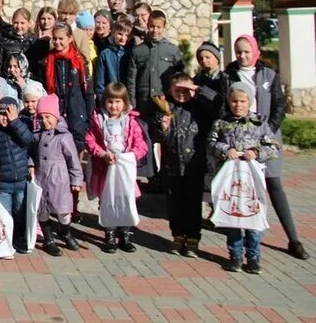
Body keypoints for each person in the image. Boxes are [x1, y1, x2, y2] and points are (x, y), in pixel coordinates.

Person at [224, 34, 308, 260]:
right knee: (242, 189)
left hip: (266, 140)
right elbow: (223, 104)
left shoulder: (268, 74)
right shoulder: (228, 75)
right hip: (240, 142)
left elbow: (280, 106)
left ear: (255, 51)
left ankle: (294, 238)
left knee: (274, 184)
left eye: (246, 51)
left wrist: (265, 131)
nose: (242, 55)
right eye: (238, 51)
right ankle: (244, 241)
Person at [208, 82, 279, 274]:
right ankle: (235, 255)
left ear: (249, 102)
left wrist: (256, 152)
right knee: (233, 219)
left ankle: (254, 257)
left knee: (252, 218)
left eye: (242, 101)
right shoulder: (221, 123)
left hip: (251, 182)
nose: (238, 105)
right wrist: (225, 150)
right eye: (234, 101)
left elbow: (273, 147)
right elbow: (211, 144)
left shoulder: (259, 123)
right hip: (230, 181)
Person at [151, 72, 221, 258]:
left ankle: (192, 238)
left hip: (194, 166)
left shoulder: (200, 108)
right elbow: (155, 137)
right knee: (175, 204)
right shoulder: (165, 109)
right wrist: (163, 128)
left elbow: (219, 104)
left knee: (192, 204)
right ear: (170, 91)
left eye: (186, 90)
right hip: (172, 166)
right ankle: (177, 236)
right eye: (177, 90)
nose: (182, 93)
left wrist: (199, 90)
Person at [85, 82, 148, 253]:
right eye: (110, 102)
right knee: (107, 200)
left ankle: (125, 234)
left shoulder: (131, 122)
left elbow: (141, 144)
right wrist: (102, 154)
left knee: (125, 199)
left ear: (125, 103)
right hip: (105, 168)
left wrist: (131, 155)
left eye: (118, 102)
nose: (114, 106)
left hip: (124, 169)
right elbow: (89, 140)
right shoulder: (98, 120)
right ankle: (110, 234)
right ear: (105, 102)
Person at [34, 93, 84, 256]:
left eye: (48, 117)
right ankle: (48, 239)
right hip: (41, 178)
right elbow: (30, 152)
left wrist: (76, 179)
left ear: (56, 117)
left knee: (63, 210)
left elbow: (73, 160)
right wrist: (29, 164)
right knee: (42, 210)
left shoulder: (64, 136)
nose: (44, 121)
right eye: (41, 117)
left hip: (59, 179)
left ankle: (66, 231)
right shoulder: (37, 135)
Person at [0, 95, 34, 253]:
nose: (5, 118)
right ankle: (5, 241)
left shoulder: (22, 125)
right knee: (5, 215)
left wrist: (15, 122)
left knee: (20, 214)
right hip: (3, 183)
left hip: (21, 180)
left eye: (8, 114)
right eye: (2, 114)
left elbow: (29, 140)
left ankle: (19, 239)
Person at [43, 25, 93, 154]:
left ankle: (78, 173)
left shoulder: (79, 61)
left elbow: (88, 90)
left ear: (70, 38)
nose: (57, 42)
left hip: (77, 108)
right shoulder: (49, 61)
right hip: (57, 109)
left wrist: (90, 114)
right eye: (54, 39)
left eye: (61, 38)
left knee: (78, 144)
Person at [126, 10, 184, 117]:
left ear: (164, 27)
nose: (155, 30)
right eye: (152, 26)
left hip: (166, 101)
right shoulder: (137, 50)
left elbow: (180, 78)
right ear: (147, 25)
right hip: (143, 102)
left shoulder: (172, 50)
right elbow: (131, 79)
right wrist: (132, 102)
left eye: (159, 27)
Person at [94, 16, 133, 97]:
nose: (123, 38)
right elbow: (100, 82)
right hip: (109, 98)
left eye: (127, 35)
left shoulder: (131, 53)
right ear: (113, 32)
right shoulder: (105, 54)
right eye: (120, 34)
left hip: (126, 98)